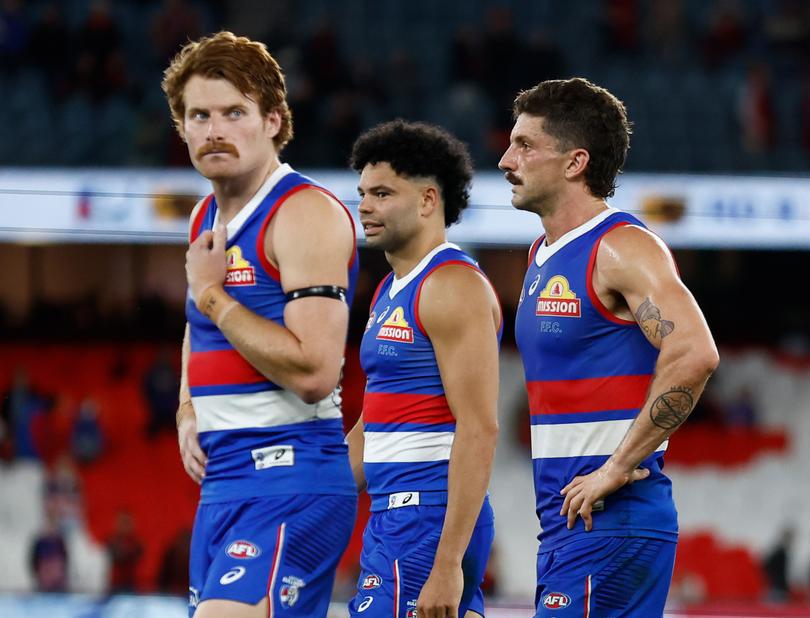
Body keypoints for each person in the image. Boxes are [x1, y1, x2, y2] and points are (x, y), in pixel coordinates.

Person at [499, 78, 719, 617]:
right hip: (569, 524)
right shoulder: (541, 255)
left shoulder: (622, 246)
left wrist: (617, 466)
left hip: (613, 522)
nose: (506, 159)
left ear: (575, 162)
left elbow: (694, 353)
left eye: (525, 145)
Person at [161, 31, 359, 618]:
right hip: (224, 481)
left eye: (234, 113)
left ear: (274, 121)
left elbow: (317, 371)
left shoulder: (304, 213)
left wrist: (214, 294)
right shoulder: (205, 214)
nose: (214, 129)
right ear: (182, 127)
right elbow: (198, 326)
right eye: (199, 115)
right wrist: (186, 407)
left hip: (291, 476)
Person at [346, 120, 501, 618]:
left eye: (383, 193)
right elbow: (373, 422)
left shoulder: (452, 285)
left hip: (427, 515)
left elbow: (479, 427)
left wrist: (448, 562)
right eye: (362, 193)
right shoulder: (389, 290)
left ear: (429, 200)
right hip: (394, 514)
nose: (365, 206)